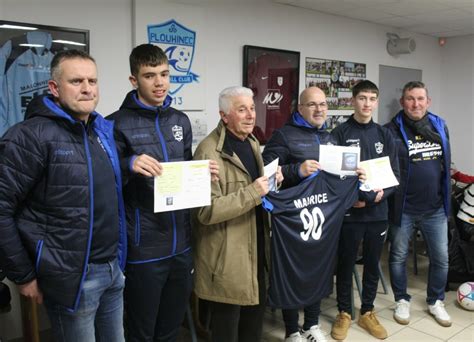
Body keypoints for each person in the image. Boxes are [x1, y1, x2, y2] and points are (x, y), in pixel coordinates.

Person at [0, 50, 127, 342]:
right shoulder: (30, 136)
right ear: (54, 88)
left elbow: (102, 187)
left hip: (111, 270)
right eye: (76, 81)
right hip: (73, 278)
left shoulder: (100, 130)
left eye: (92, 80)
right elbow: (2, 208)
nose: (87, 88)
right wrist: (23, 275)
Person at [109, 44, 218, 341]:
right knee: (141, 330)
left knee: (171, 328)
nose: (159, 83)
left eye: (164, 74)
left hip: (181, 245)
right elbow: (103, 180)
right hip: (144, 248)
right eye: (149, 76)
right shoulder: (115, 124)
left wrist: (201, 174)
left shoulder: (179, 121)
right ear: (134, 80)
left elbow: (184, 172)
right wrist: (128, 163)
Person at [193, 86, 281, 342]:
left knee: (253, 329)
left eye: (252, 108)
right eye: (241, 109)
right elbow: (205, 211)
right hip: (227, 261)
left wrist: (273, 181)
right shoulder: (208, 152)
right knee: (227, 332)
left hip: (256, 252)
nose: (251, 115)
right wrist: (254, 192)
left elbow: (258, 191)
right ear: (224, 115)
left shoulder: (252, 142)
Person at [330, 80, 399, 340]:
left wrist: (378, 196)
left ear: (376, 102)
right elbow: (334, 176)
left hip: (377, 213)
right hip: (350, 214)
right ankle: (344, 312)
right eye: (362, 98)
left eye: (372, 99)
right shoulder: (339, 133)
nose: (367, 103)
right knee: (346, 264)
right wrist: (353, 198)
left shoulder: (384, 135)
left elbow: (394, 176)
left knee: (372, 263)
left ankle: (367, 312)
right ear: (353, 100)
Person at [385, 81, 452, 327]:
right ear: (403, 102)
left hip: (435, 208)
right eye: (410, 99)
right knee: (398, 256)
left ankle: (436, 300)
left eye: (420, 98)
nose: (416, 103)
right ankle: (402, 298)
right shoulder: (390, 130)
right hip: (404, 208)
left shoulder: (440, 126)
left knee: (441, 258)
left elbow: (445, 164)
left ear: (428, 101)